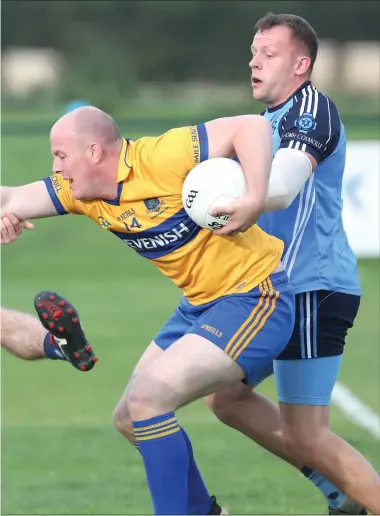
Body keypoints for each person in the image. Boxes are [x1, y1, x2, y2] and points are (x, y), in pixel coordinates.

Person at [1, 106, 296, 515]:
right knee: (129, 417)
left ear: (93, 152)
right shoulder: (81, 192)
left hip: (257, 296)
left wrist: (254, 198)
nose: (56, 167)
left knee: (148, 400)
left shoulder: (161, 156)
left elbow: (252, 126)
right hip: (201, 305)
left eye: (61, 156)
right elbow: (11, 197)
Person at [205, 12, 379, 516]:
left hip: (312, 288)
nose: (255, 62)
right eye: (253, 53)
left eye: (269, 54)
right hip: (274, 293)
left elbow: (280, 188)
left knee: (308, 433)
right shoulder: (260, 125)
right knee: (226, 397)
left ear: (301, 64)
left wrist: (244, 200)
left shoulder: (312, 110)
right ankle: (340, 493)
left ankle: (353, 495)